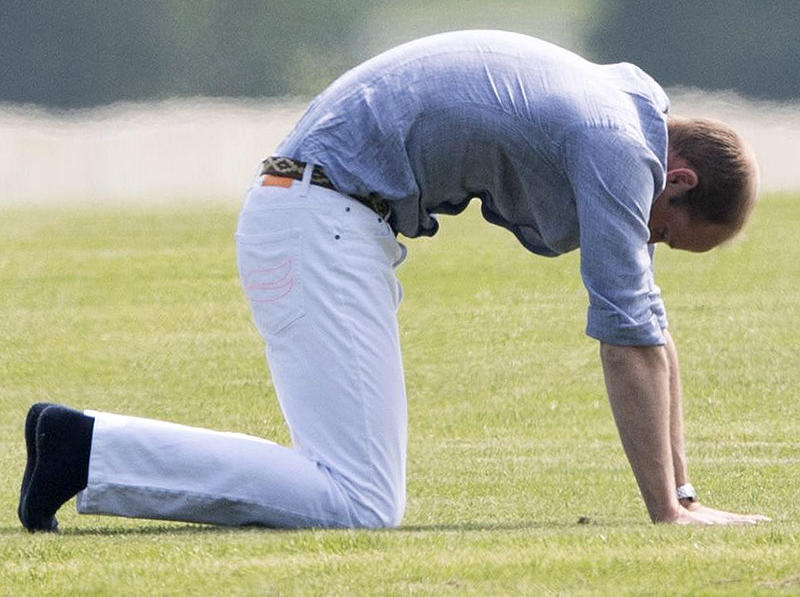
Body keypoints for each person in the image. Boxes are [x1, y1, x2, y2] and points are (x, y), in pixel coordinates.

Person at [19, 30, 769, 532]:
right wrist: (669, 516)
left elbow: (649, 325)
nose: (650, 241)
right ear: (678, 179)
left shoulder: (617, 109)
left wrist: (685, 496)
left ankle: (84, 449)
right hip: (318, 221)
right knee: (360, 501)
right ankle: (84, 448)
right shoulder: (617, 145)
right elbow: (629, 336)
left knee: (356, 492)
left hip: (320, 214)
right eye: (664, 231)